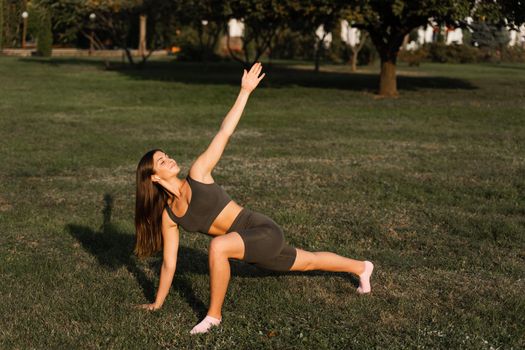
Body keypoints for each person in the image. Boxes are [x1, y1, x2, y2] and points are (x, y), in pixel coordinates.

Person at [134, 62, 374, 335]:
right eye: (162, 161)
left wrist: (245, 91)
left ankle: (213, 317)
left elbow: (224, 132)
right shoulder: (170, 215)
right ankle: (362, 267)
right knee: (308, 262)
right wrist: (157, 302)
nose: (169, 159)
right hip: (248, 248)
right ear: (153, 178)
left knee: (217, 247)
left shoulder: (198, 173)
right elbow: (169, 263)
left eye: (167, 155)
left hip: (261, 230)